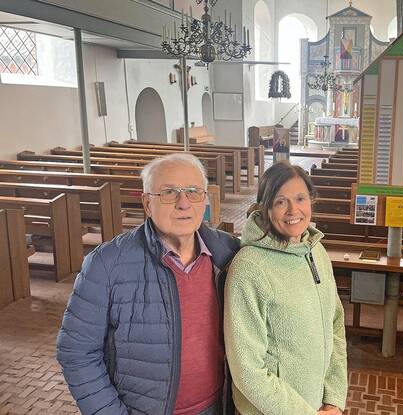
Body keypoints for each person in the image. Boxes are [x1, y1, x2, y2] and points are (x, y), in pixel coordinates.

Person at [56, 153, 240, 415]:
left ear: (204, 199)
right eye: (169, 193)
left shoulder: (229, 253)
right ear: (147, 203)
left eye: (193, 192)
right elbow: (77, 352)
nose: (183, 203)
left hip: (218, 407)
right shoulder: (106, 264)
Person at [224, 161, 348, 415]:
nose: (293, 210)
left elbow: (335, 324)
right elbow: (247, 369)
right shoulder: (249, 267)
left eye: (300, 198)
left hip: (318, 405)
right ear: (266, 207)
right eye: (280, 201)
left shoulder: (317, 251)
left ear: (311, 200)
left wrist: (334, 398)